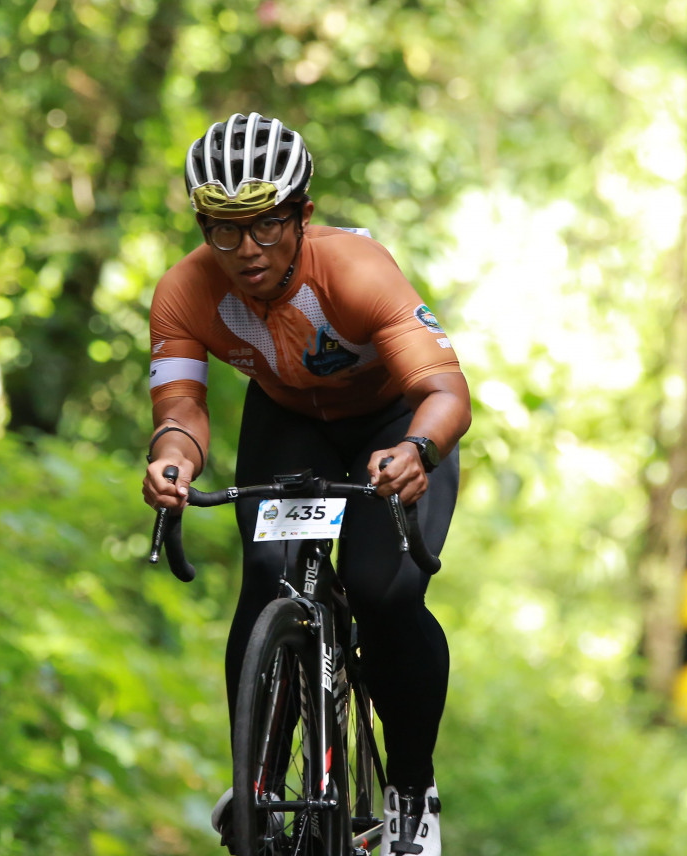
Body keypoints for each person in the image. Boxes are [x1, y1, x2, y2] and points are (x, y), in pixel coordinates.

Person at [141, 112, 471, 855]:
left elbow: (445, 391)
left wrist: (418, 449)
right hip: (291, 420)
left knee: (382, 594)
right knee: (268, 576)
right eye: (224, 229)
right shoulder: (184, 292)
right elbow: (181, 411)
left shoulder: (355, 272)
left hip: (394, 419)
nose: (246, 250)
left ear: (303, 214)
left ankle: (410, 790)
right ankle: (256, 778)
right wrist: (173, 461)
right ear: (202, 224)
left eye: (265, 224)